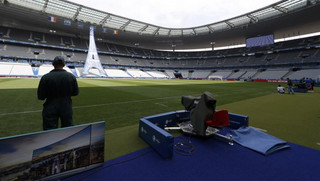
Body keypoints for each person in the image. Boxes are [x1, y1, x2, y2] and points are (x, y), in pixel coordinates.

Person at [37, 56, 79, 130]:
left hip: (50, 107)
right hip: (66, 107)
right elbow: (75, 93)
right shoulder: (71, 77)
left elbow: (41, 96)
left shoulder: (45, 77)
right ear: (64, 65)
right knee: (67, 130)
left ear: (53, 64)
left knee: (49, 132)